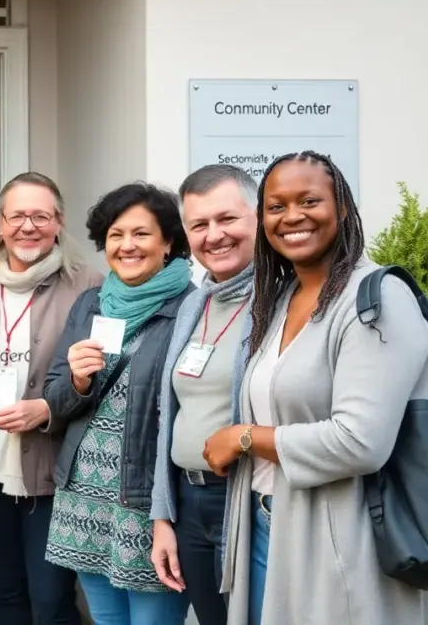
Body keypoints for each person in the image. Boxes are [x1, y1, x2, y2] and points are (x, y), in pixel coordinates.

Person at [202, 151, 428, 625]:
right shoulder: (282, 297)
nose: (292, 217)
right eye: (276, 206)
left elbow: (359, 442)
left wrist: (243, 437)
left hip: (341, 541)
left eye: (309, 200)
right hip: (266, 528)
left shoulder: (378, 299)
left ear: (342, 207)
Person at [0, 172, 103, 625]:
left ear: (58, 222)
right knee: (3, 595)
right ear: (1, 223)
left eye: (40, 216)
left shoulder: (88, 285)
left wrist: (48, 410)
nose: (28, 226)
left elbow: (98, 379)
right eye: (17, 216)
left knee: (50, 601)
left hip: (47, 472)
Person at [43, 182, 194, 625]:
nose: (127, 246)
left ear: (168, 242)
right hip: (84, 498)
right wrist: (77, 379)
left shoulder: (191, 306)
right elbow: (53, 399)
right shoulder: (91, 304)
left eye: (141, 234)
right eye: (115, 235)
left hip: (148, 503)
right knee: (106, 620)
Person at [149, 166, 258, 625]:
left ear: (258, 219)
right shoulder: (197, 301)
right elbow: (169, 414)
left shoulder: (282, 300)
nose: (214, 235)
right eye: (199, 225)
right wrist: (163, 517)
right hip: (189, 504)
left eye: (227, 219)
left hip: (245, 499)